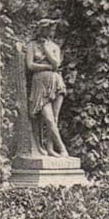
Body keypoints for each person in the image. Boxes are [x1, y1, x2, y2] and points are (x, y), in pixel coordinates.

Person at [25, 18, 69, 157]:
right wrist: (46, 66)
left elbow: (56, 64)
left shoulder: (54, 46)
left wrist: (45, 48)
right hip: (40, 83)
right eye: (48, 29)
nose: (51, 32)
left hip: (56, 82)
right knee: (48, 118)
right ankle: (62, 148)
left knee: (54, 118)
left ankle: (50, 149)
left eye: (52, 29)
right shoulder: (32, 45)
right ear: (41, 29)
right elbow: (30, 65)